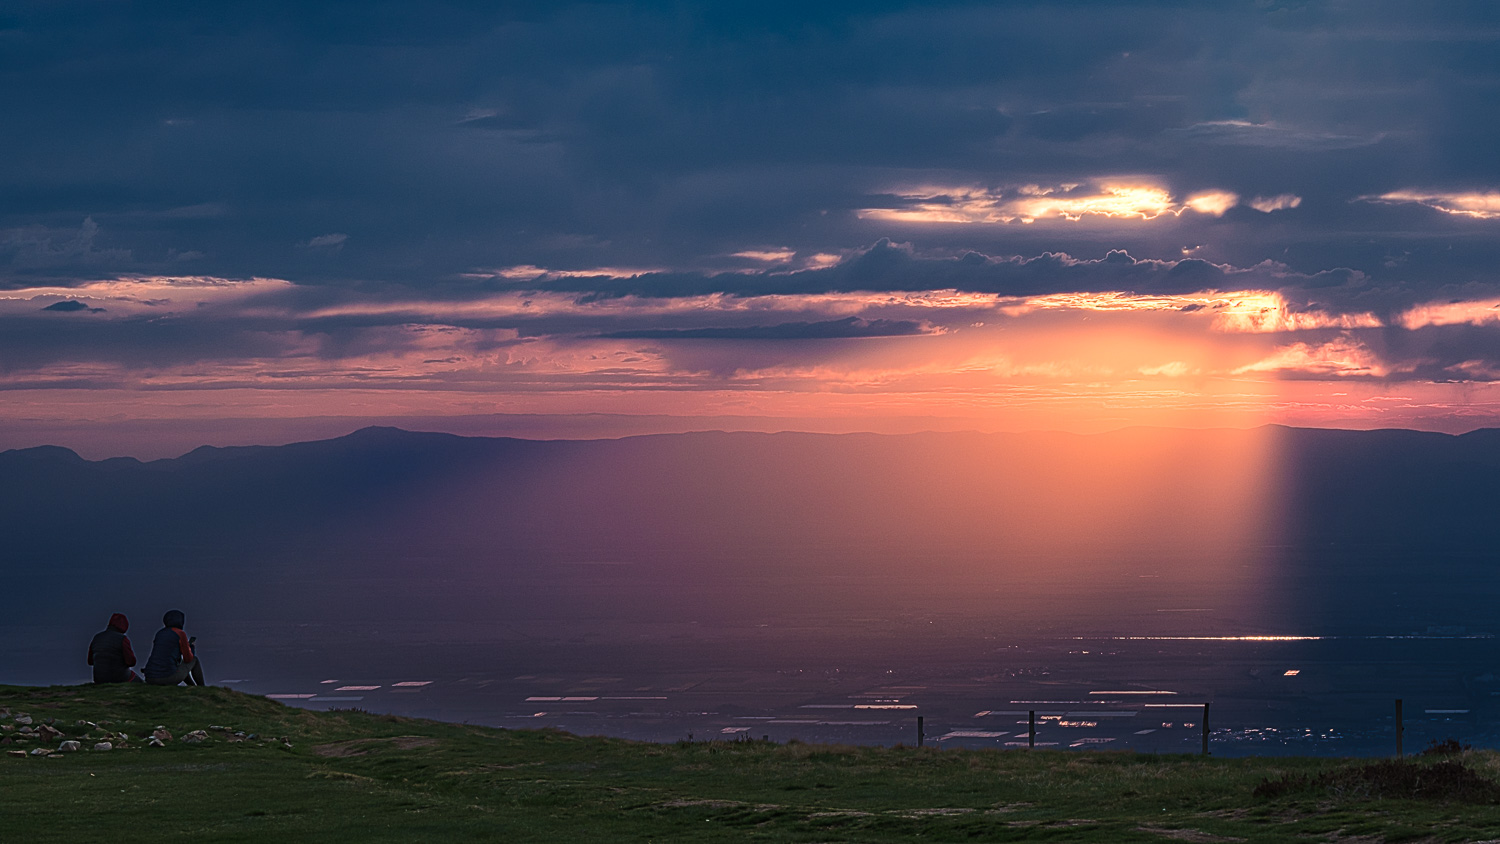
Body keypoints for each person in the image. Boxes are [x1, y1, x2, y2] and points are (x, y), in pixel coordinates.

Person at [143, 609, 205, 686]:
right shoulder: (180, 633)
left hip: (149, 678)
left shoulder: (160, 633)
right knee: (195, 660)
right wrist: (191, 647)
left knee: (180, 666)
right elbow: (188, 659)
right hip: (166, 678)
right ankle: (202, 687)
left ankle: (192, 687)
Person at [86, 613, 141, 683]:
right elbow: (131, 662)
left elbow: (90, 661)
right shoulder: (123, 639)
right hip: (119, 678)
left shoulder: (97, 637)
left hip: (99, 679)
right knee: (137, 680)